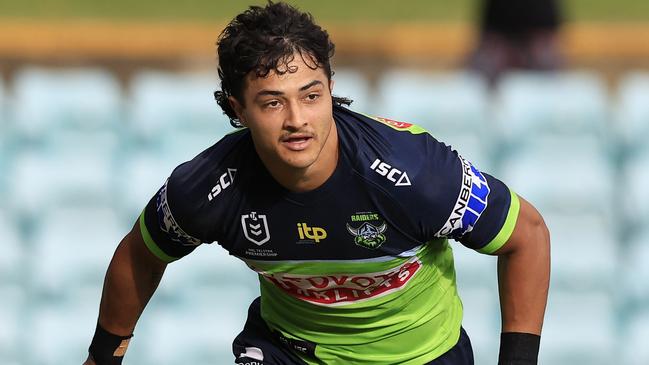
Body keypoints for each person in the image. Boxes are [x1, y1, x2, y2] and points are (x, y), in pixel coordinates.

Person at [84, 2, 550, 364]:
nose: (297, 121)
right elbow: (141, 255)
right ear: (237, 109)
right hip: (289, 351)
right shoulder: (209, 187)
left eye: (311, 96)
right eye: (271, 103)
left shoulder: (413, 173)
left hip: (422, 356)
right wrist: (102, 357)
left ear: (330, 88)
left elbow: (527, 235)